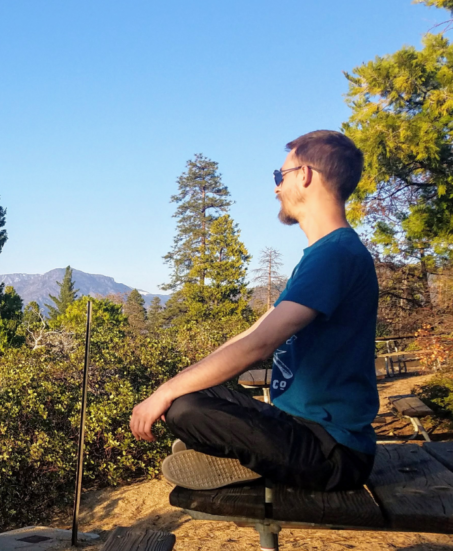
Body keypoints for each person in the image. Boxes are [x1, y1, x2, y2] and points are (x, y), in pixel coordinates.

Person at [130, 130, 378, 491]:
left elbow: (258, 346)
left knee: (184, 409)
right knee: (185, 398)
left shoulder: (335, 255)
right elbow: (248, 334)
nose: (276, 188)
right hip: (297, 426)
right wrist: (170, 387)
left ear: (305, 175)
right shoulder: (325, 255)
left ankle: (249, 459)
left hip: (332, 452)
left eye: (280, 176)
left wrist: (164, 393)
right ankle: (246, 454)